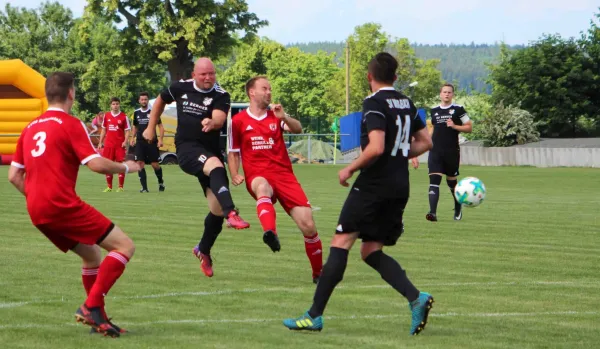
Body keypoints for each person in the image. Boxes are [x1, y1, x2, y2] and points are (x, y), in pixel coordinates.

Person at [282, 52, 435, 335]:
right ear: (396, 77)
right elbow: (425, 142)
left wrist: (349, 169)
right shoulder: (406, 102)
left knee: (341, 241)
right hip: (400, 186)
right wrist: (398, 154)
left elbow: (375, 147)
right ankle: (417, 298)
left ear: (369, 77)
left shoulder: (373, 103)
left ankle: (314, 315)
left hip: (374, 185)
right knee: (370, 250)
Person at [7, 72, 141, 338]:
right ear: (71, 93)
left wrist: (36, 197)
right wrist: (127, 166)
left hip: (37, 209)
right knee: (124, 246)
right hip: (61, 205)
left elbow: (14, 176)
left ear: (47, 94)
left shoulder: (30, 127)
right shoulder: (70, 123)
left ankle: (98, 317)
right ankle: (91, 306)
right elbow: (95, 163)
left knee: (91, 255)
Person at [142, 57, 250, 278]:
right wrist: (151, 127)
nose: (208, 78)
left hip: (210, 151)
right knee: (217, 168)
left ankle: (203, 249)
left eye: (211, 73)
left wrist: (212, 123)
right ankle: (233, 213)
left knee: (216, 210)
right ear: (194, 75)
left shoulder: (221, 95)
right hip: (187, 149)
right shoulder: (180, 88)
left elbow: (219, 118)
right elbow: (160, 101)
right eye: (204, 74)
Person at [227, 76, 323, 283]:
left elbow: (298, 129)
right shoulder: (238, 121)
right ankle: (270, 232)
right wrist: (234, 173)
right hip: (257, 173)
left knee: (308, 224)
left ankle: (318, 274)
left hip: (284, 175)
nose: (269, 92)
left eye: (270, 89)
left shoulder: (276, 116)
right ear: (252, 92)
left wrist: (284, 117)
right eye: (264, 88)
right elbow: (233, 152)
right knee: (262, 187)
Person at [420, 83, 473, 221]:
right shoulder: (434, 111)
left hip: (451, 152)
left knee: (451, 182)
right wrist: (425, 143)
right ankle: (432, 213)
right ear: (440, 94)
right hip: (435, 151)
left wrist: (455, 126)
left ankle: (458, 207)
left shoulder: (458, 109)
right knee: (434, 180)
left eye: (449, 92)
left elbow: (469, 127)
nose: (447, 94)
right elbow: (431, 130)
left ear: (452, 95)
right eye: (444, 92)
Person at [131, 91, 165, 193]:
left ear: (147, 100)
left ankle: (160, 182)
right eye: (142, 99)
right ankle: (144, 188)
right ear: (139, 101)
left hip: (151, 142)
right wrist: (132, 138)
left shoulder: (153, 112)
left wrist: (161, 140)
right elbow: (135, 126)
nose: (144, 101)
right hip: (140, 142)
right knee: (140, 163)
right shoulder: (136, 113)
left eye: (145, 99)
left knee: (155, 165)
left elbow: (161, 127)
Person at [98, 97, 131, 192]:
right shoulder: (107, 116)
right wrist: (100, 142)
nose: (115, 106)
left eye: (117, 104)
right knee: (108, 165)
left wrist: (125, 141)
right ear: (110, 105)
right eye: (113, 104)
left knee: (120, 164)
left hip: (119, 145)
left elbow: (127, 131)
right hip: (109, 144)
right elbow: (104, 130)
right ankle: (109, 187)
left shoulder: (124, 117)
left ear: (119, 105)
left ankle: (120, 187)